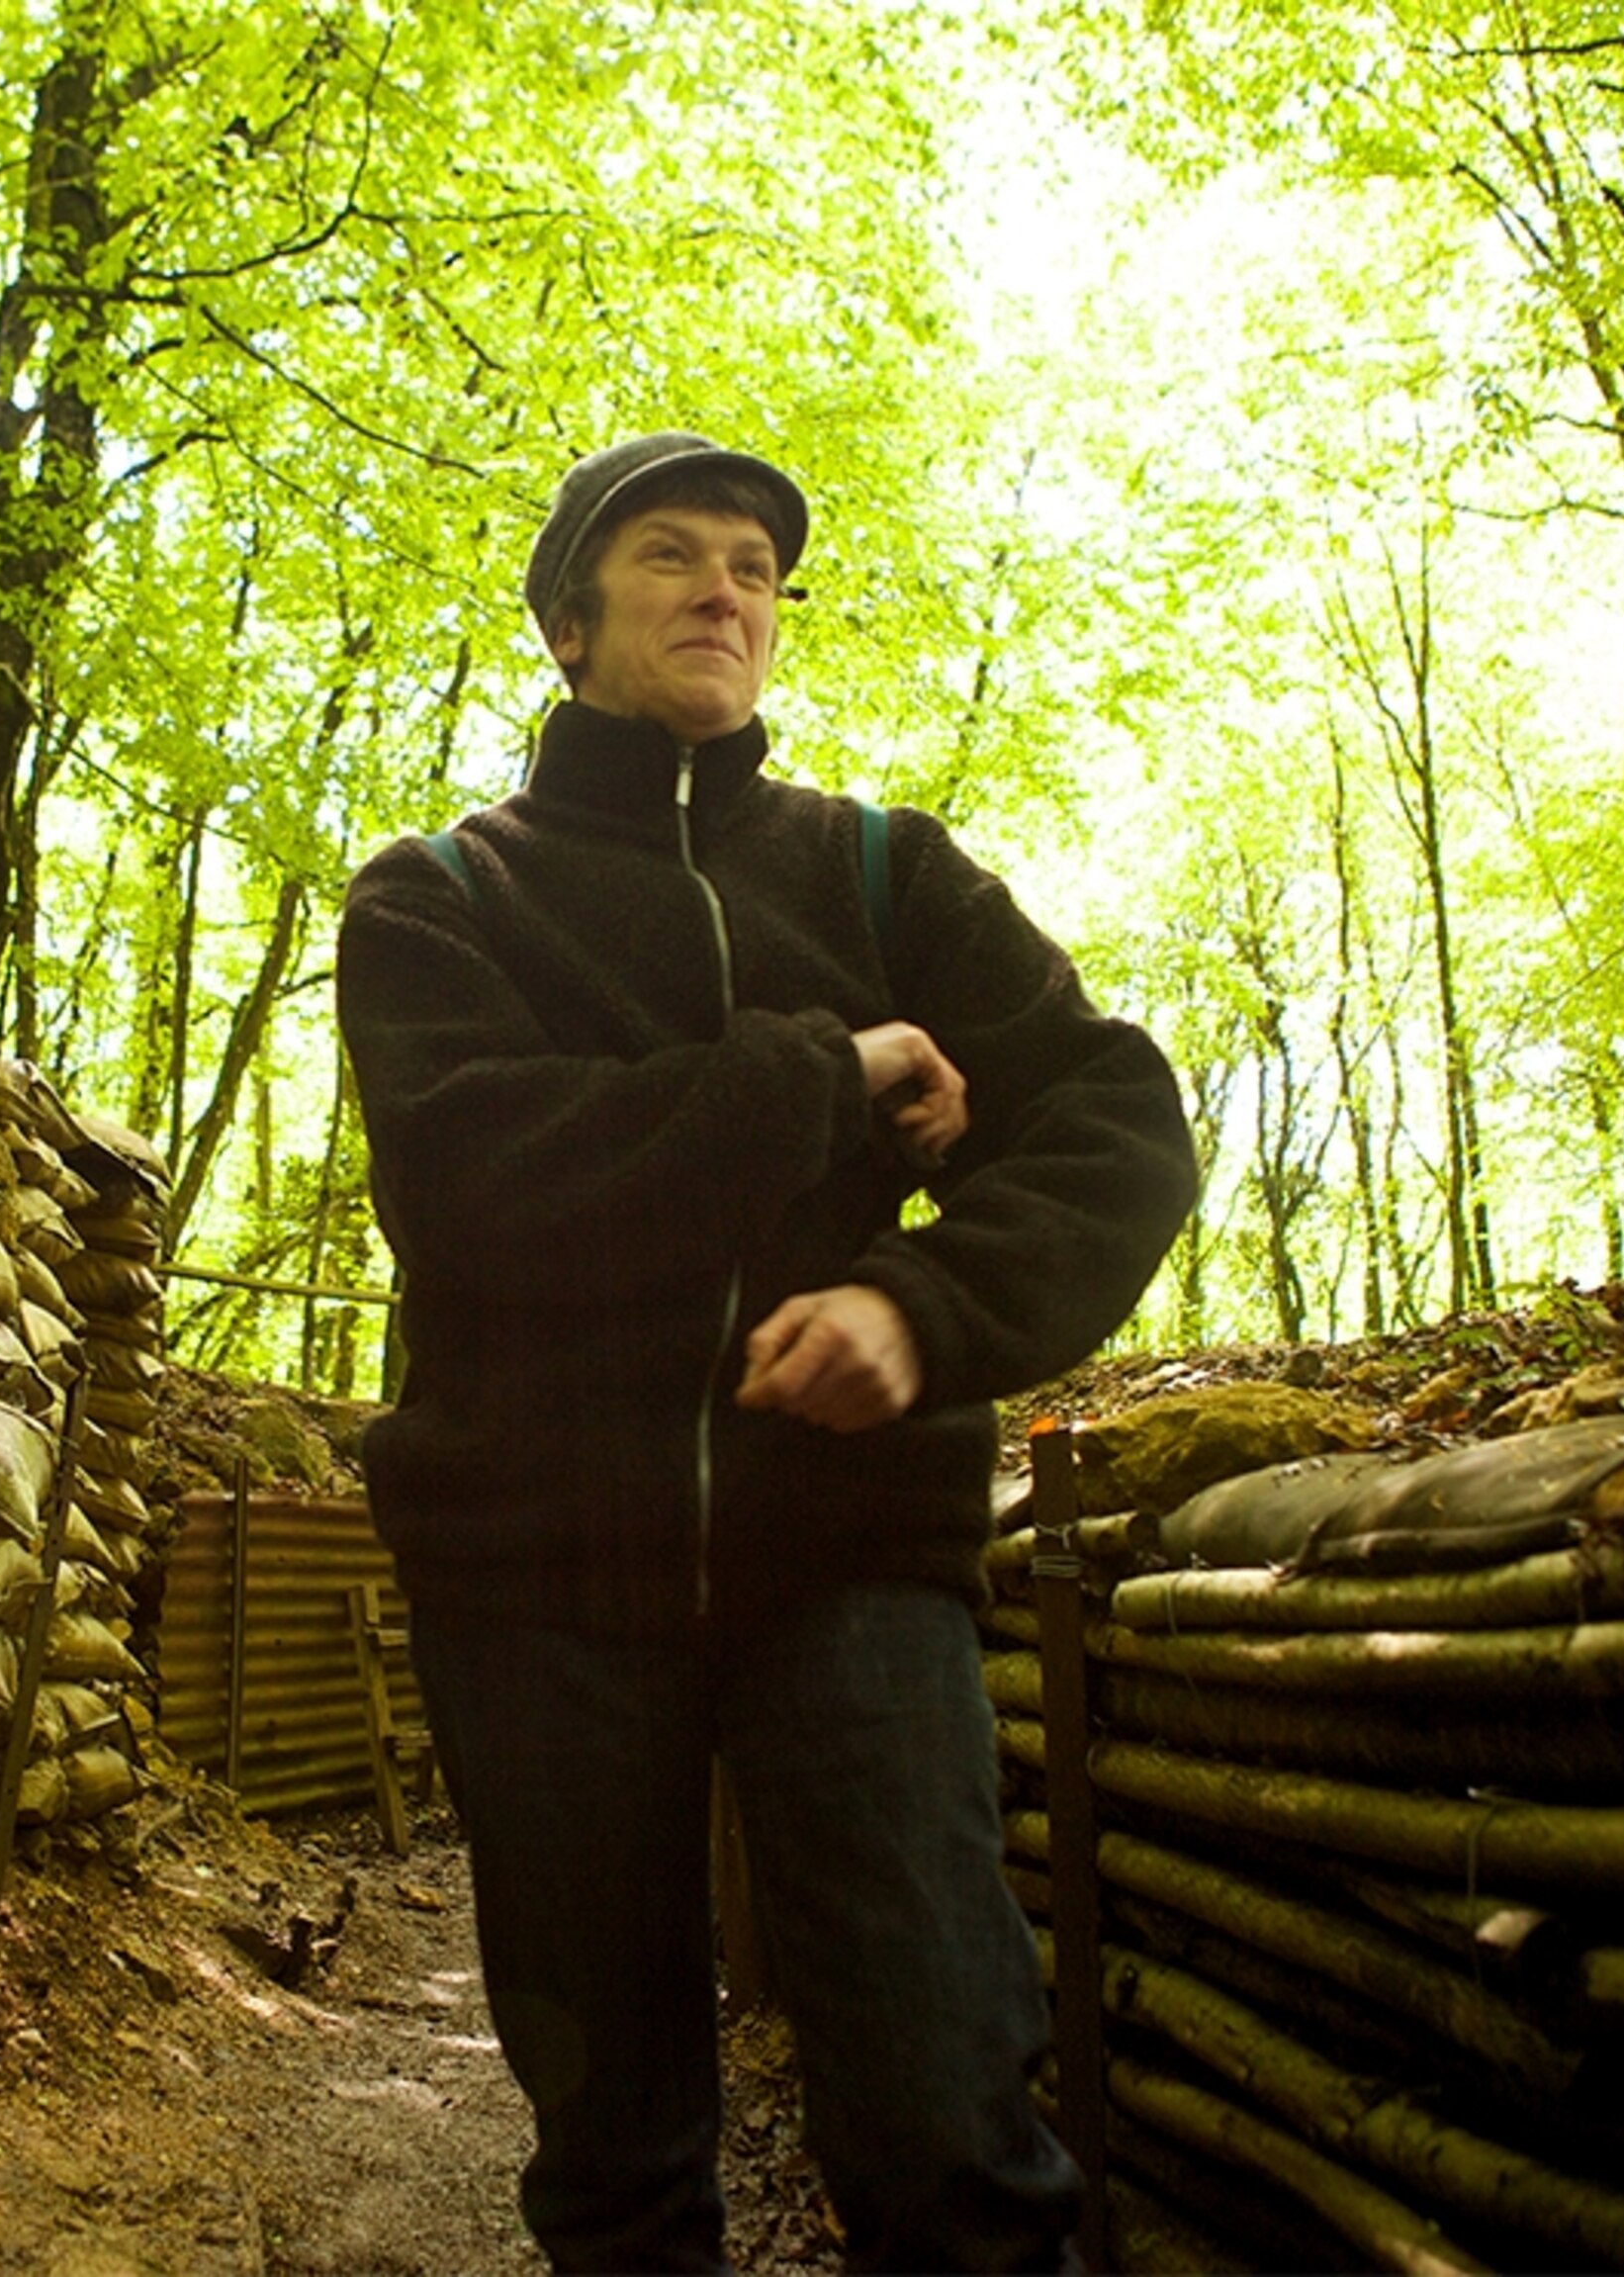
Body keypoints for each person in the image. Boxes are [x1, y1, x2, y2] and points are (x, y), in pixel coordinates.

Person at [332, 431, 1199, 2273]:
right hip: (537, 1570)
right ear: (570, 624)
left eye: (756, 567)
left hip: (852, 1561)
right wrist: (832, 1073)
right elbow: (483, 1181)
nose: (727, 589)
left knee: (952, 2108)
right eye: (671, 556)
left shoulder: (887, 875)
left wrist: (924, 1305)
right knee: (618, 2150)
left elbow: (1117, 1118)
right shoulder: (441, 895)